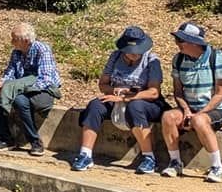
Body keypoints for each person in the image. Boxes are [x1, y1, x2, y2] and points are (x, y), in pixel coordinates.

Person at [71, 26, 166, 173]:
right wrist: (115, 91)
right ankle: (85, 154)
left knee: (136, 107)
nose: (134, 55)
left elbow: (154, 93)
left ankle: (149, 157)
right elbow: (103, 85)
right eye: (130, 51)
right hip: (116, 98)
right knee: (95, 105)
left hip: (144, 101)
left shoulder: (152, 60)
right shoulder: (115, 57)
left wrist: (126, 96)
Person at [160, 21, 222, 182]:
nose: (177, 44)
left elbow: (220, 94)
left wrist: (199, 113)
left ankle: (217, 167)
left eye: (180, 40)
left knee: (199, 120)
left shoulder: (217, 57)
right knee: (168, 117)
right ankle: (175, 162)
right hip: (189, 108)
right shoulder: (178, 60)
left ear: (193, 43)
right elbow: (178, 92)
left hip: (215, 108)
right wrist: (186, 110)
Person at [0, 23, 62, 156]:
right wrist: (2, 83)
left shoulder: (42, 50)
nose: (11, 42)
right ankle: (6, 139)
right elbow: (10, 72)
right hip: (21, 87)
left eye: (14, 39)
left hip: (43, 91)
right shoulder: (17, 52)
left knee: (19, 100)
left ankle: (35, 141)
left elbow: (46, 79)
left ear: (26, 41)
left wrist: (20, 88)